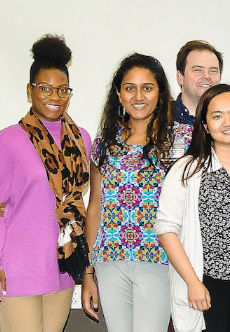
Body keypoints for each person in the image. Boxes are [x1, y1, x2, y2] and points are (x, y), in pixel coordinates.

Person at [82, 53, 193, 332]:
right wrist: (88, 272)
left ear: (160, 92)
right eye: (130, 88)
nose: (138, 96)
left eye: (148, 87)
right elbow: (95, 208)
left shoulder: (182, 140)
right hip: (110, 262)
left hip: (158, 260)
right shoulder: (104, 143)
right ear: (119, 94)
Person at [0, 34, 92, 332]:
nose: (55, 97)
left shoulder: (83, 140)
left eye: (63, 89)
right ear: (30, 91)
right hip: (17, 266)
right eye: (45, 88)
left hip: (62, 267)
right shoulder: (9, 140)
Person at [155, 84, 230, 332]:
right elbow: (165, 229)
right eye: (217, 115)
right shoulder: (187, 170)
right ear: (204, 125)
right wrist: (193, 283)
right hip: (207, 289)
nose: (228, 122)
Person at [173, 40, 223, 126]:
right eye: (198, 70)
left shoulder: (228, 123)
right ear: (180, 77)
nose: (207, 76)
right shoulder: (160, 120)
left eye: (213, 71)